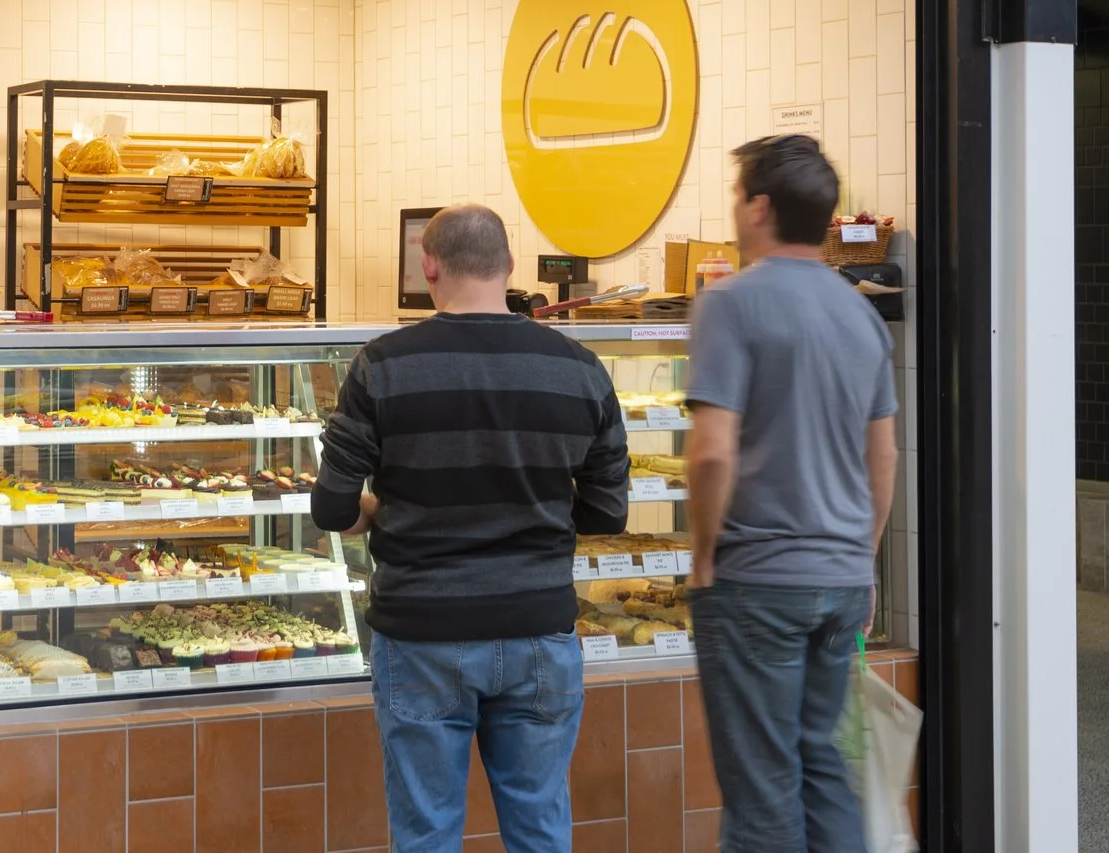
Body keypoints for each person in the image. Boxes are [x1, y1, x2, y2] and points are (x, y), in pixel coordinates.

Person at [313, 203, 629, 853]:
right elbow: (607, 514)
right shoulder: (580, 369)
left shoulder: (382, 366)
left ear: (428, 267)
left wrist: (378, 512)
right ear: (510, 264)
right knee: (541, 831)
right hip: (540, 633)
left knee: (427, 834)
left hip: (424, 633)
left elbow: (332, 509)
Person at [686, 135, 901, 853]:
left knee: (761, 790)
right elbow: (884, 452)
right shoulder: (861, 314)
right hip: (841, 579)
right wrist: (862, 561)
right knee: (822, 767)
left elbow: (713, 449)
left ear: (761, 208)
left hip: (759, 581)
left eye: (738, 195)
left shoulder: (731, 303)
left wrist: (704, 557)